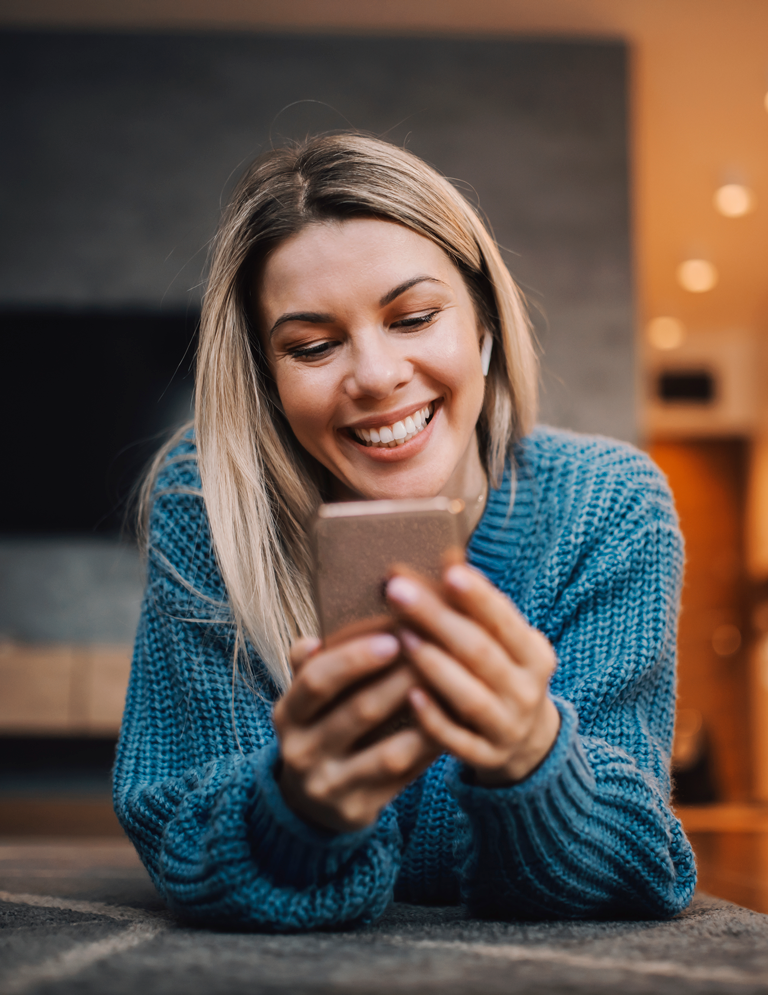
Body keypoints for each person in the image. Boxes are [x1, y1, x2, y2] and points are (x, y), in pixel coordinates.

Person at [114, 133, 696, 930]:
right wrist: (297, 807)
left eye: (414, 317)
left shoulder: (609, 505)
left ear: (484, 328)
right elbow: (181, 829)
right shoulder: (211, 499)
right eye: (312, 345)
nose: (377, 376)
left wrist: (536, 757)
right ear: (268, 381)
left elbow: (642, 864)